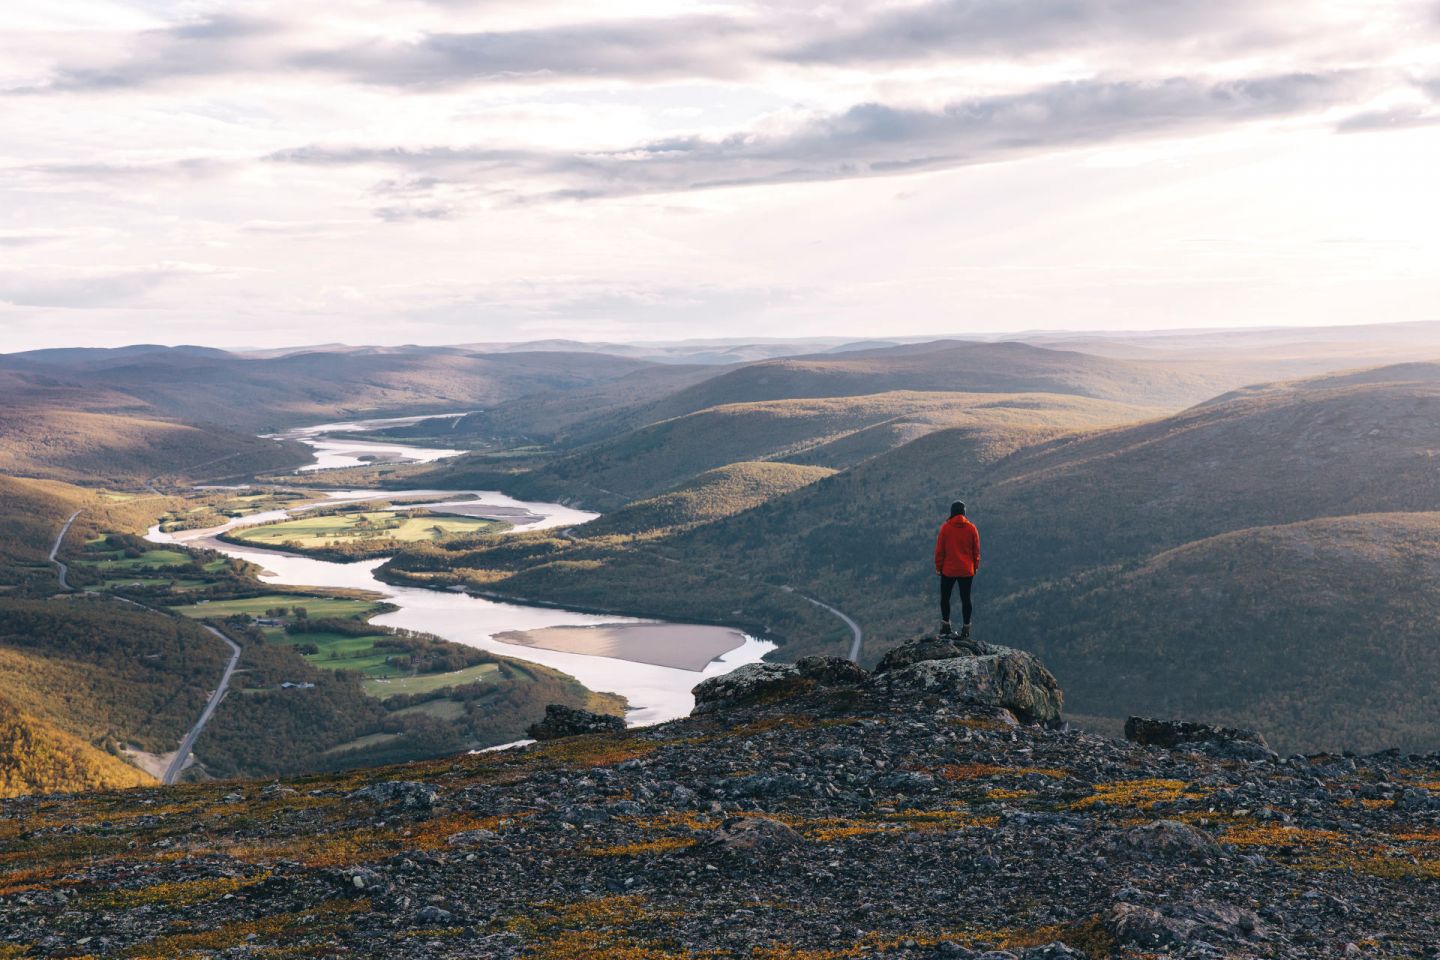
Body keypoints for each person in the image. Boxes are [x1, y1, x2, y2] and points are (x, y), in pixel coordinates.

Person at [934, 500, 980, 638]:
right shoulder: (972, 528)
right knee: (966, 599)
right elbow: (976, 551)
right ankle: (966, 628)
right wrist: (975, 566)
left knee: (945, 598)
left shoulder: (946, 528)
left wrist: (938, 567)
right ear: (964, 512)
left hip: (949, 569)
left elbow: (940, 551)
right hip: (967, 570)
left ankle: (946, 626)